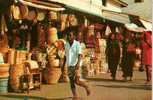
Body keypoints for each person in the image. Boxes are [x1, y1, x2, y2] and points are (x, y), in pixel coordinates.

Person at [64, 27, 90, 99]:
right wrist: (63, 65)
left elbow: (79, 55)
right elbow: (65, 55)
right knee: (71, 82)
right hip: (69, 65)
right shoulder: (66, 44)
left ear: (74, 36)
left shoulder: (77, 44)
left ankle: (86, 87)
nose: (68, 37)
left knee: (77, 81)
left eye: (70, 35)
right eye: (68, 35)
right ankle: (75, 96)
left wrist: (78, 63)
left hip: (76, 65)